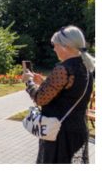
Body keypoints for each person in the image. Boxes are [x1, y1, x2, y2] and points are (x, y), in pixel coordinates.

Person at [22, 26, 95, 164]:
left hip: (60, 132)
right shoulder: (86, 67)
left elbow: (40, 98)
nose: (54, 49)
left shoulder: (63, 68)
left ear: (65, 46)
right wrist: (43, 82)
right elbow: (69, 93)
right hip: (78, 129)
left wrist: (29, 81)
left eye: (55, 45)